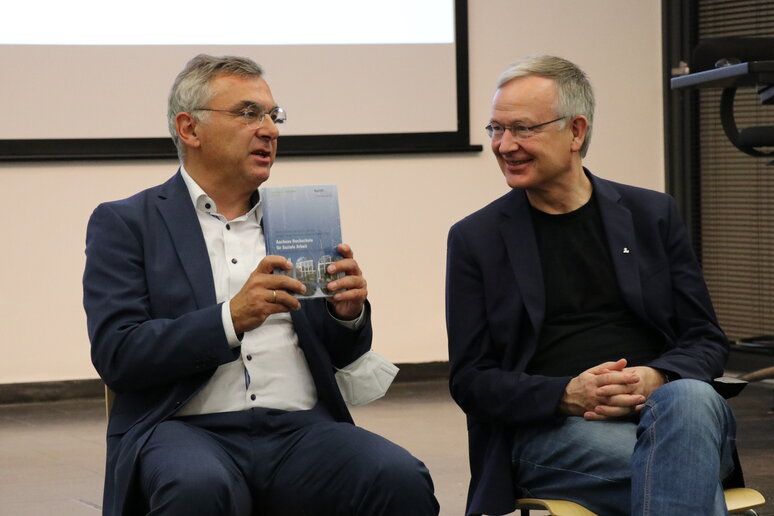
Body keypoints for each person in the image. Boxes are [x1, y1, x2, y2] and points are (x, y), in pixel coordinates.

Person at [84, 54, 439, 516]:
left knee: (398, 476)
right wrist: (229, 319)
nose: (270, 129)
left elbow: (341, 355)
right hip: (184, 426)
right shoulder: (128, 223)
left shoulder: (299, 219)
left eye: (275, 116)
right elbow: (118, 353)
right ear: (190, 129)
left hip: (299, 429)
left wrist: (346, 315)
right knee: (197, 486)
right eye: (249, 114)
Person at [445, 55, 737, 516]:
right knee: (678, 467)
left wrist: (655, 377)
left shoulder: (652, 216)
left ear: (576, 131)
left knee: (689, 398)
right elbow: (471, 380)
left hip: (671, 414)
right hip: (558, 430)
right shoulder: (476, 239)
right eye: (496, 129)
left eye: (523, 129)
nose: (504, 145)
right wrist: (565, 395)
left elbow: (704, 339)